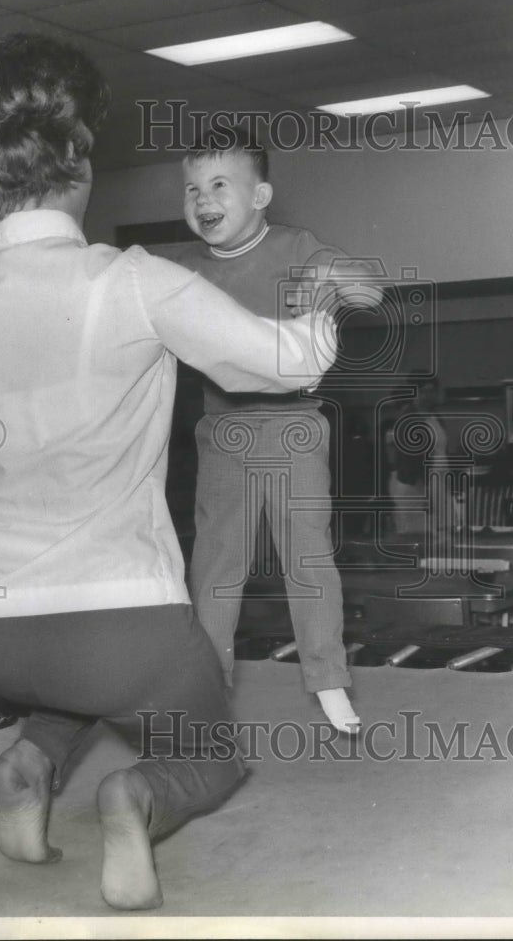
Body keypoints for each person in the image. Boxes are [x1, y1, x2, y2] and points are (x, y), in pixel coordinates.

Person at [0, 33, 333, 911]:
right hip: (120, 622)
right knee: (208, 752)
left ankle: (28, 766)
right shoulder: (134, 281)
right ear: (76, 157)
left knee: (69, 695)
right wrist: (317, 290)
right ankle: (135, 798)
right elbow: (288, 364)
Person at [177, 126, 382, 734]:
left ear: (260, 196)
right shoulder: (183, 269)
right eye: (191, 189)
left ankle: (328, 679)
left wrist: (334, 281)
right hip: (223, 431)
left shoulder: (295, 245)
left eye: (219, 185)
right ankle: (208, 688)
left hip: (294, 426)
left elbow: (370, 291)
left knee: (307, 557)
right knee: (215, 564)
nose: (202, 199)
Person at [383, 376, 450, 535]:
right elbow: (409, 460)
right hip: (417, 484)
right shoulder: (408, 420)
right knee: (418, 533)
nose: (429, 395)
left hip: (438, 479)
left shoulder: (435, 418)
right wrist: (426, 491)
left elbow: (441, 450)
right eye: (425, 391)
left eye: (433, 391)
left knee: (441, 530)